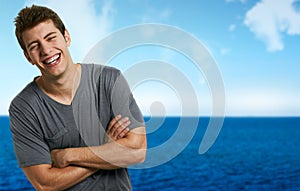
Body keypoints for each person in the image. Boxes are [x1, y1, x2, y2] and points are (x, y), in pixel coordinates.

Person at [9, 4, 146, 191]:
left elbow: (137, 151)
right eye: (35, 46)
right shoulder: (24, 107)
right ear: (28, 57)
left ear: (66, 37)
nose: (46, 50)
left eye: (51, 38)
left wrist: (68, 156)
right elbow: (45, 183)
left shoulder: (109, 80)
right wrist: (107, 149)